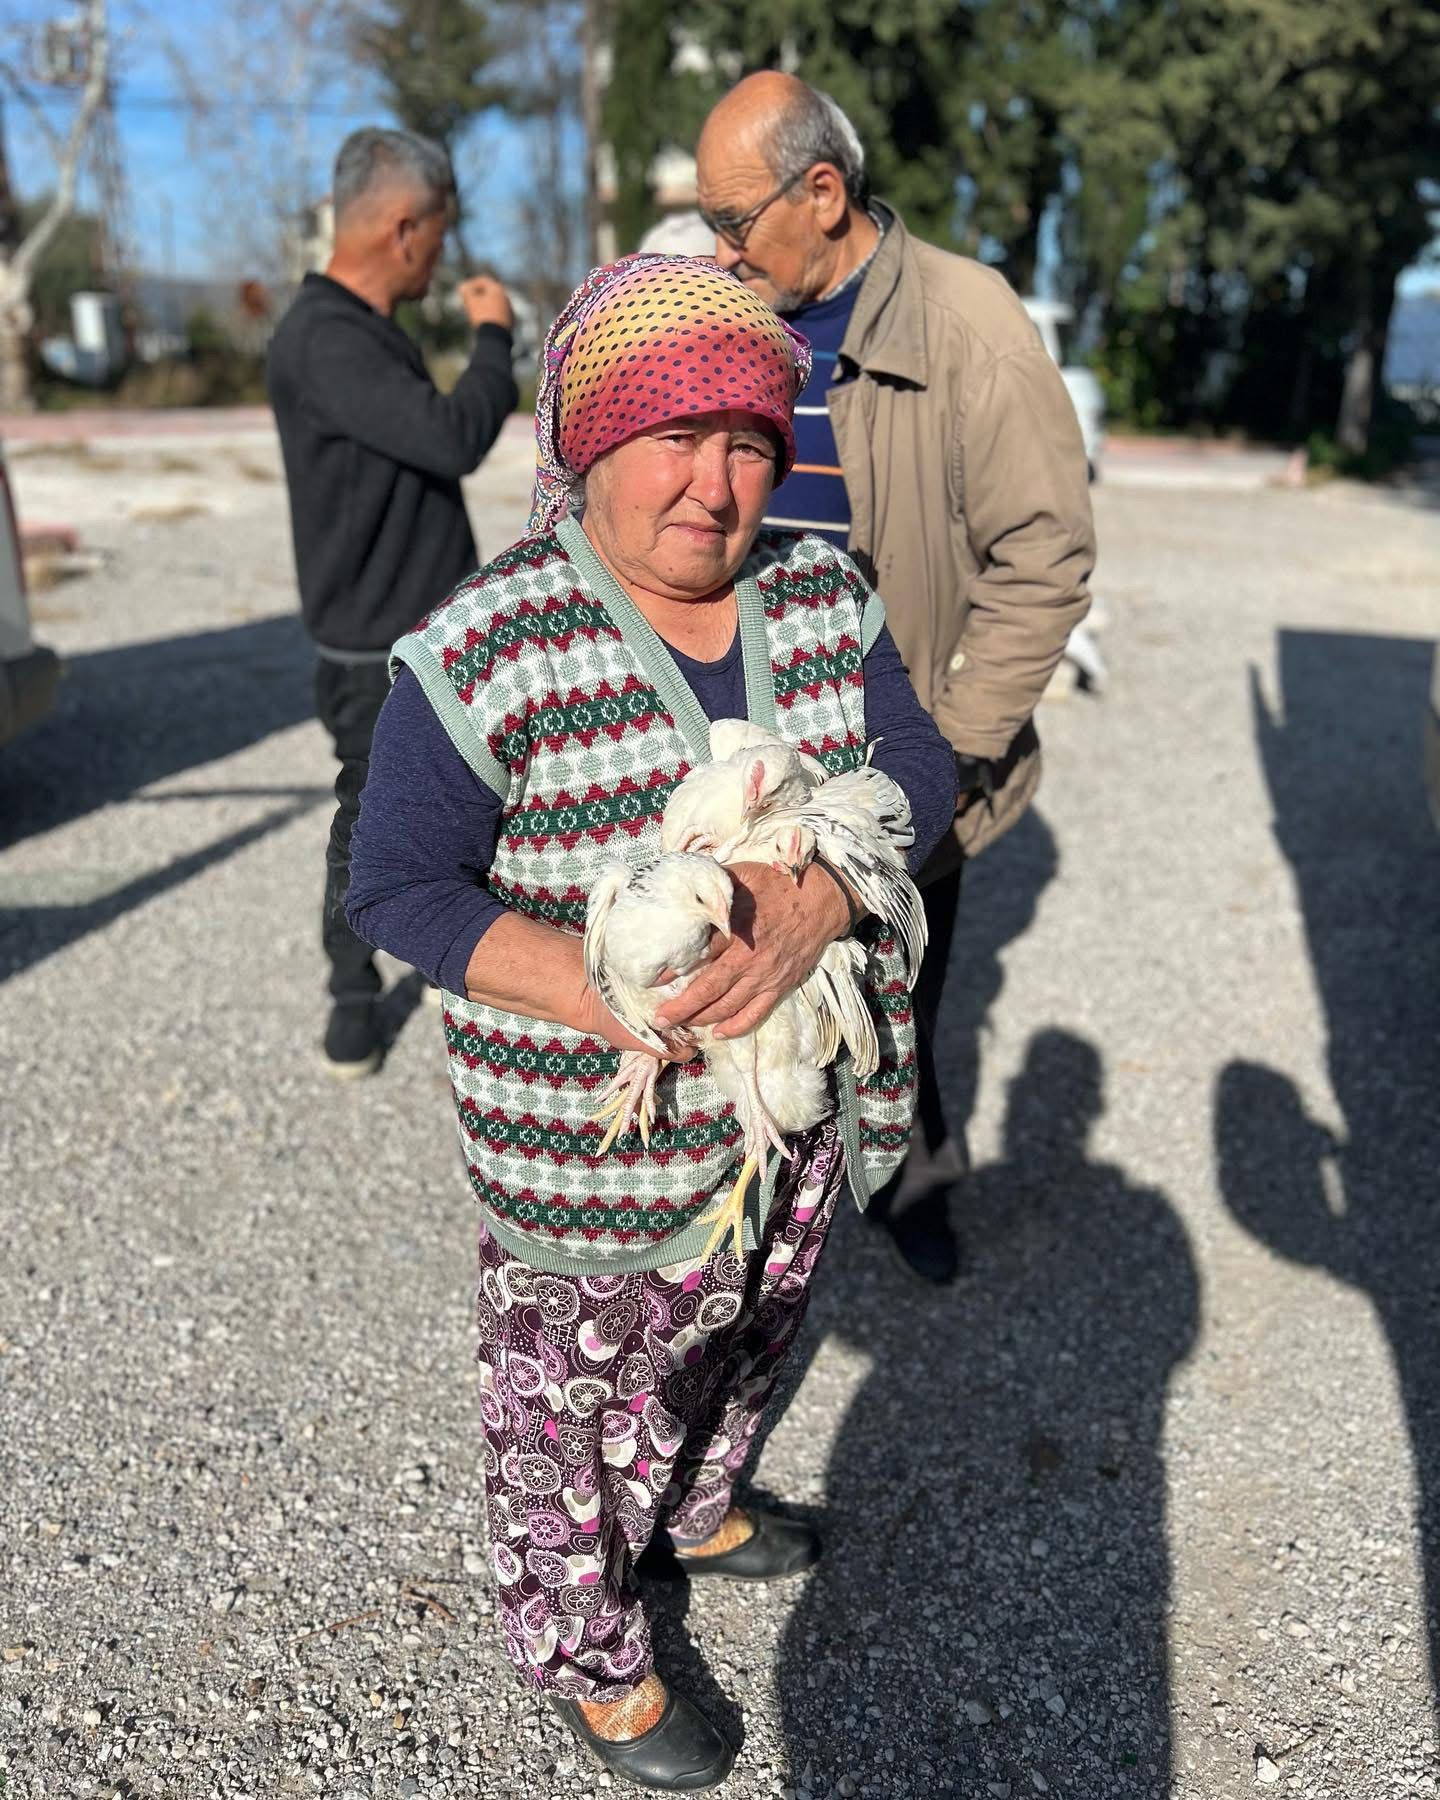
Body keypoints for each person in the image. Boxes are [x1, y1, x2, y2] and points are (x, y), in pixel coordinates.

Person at [345, 254, 957, 1791]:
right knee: (570, 1410)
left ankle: (693, 1506)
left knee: (750, 1333)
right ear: (593, 444)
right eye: (675, 438)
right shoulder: (493, 643)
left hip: (785, 1123)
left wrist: (820, 893)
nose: (716, 483)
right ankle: (583, 1644)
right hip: (592, 1156)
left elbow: (920, 768)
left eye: (749, 444)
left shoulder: (818, 591)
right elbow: (396, 887)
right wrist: (594, 987)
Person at [694, 74, 1096, 1283]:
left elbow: (1046, 559)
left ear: (823, 192)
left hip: (902, 757)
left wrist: (947, 751)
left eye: (734, 220)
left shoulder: (971, 324)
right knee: (739, 978)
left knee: (898, 990)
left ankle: (912, 1182)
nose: (720, 249)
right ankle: (747, 1193)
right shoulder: (732, 314)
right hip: (745, 750)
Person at [267, 126, 518, 1077]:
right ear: (404, 227)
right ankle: (352, 999)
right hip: (373, 651)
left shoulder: (363, 333)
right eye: (439, 235)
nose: (442, 258)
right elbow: (453, 437)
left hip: (422, 634)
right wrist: (494, 336)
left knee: (460, 809)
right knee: (368, 828)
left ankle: (462, 963)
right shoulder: (324, 339)